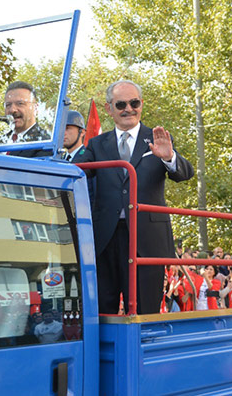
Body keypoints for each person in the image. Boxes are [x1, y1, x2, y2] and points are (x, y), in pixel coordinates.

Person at [77, 80, 193, 314]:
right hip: (105, 240)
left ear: (141, 105)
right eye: (121, 104)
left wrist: (168, 157)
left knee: (145, 311)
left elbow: (184, 173)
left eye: (134, 102)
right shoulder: (97, 144)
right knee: (103, 311)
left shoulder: (158, 138)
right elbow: (76, 171)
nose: (128, 109)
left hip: (147, 240)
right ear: (109, 108)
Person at [0, 81, 51, 158]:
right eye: (8, 105)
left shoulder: (45, 143)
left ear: (35, 108)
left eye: (20, 103)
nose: (12, 110)